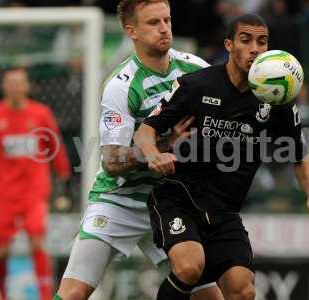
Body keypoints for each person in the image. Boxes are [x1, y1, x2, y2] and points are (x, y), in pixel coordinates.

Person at [135, 13, 309, 300]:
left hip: (225, 210)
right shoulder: (196, 85)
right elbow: (146, 130)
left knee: (242, 290)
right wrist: (153, 154)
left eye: (262, 42)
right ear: (229, 45)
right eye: (246, 40)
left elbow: (300, 154)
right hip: (179, 197)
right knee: (190, 266)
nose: (255, 48)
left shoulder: (276, 99)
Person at [54, 0, 223, 299]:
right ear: (131, 31)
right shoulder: (121, 86)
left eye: (167, 20)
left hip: (170, 202)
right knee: (73, 294)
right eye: (153, 23)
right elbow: (113, 161)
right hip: (120, 201)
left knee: (208, 296)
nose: (164, 29)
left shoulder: (196, 69)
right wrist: (164, 144)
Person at [0, 67, 71, 300]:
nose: (15, 88)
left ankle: (45, 296)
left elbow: (56, 151)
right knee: (2, 251)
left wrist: (63, 182)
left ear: (27, 86)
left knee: (37, 242)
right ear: (4, 87)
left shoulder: (41, 114)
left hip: (34, 192)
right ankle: (1, 294)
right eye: (10, 83)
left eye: (19, 83)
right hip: (2, 193)